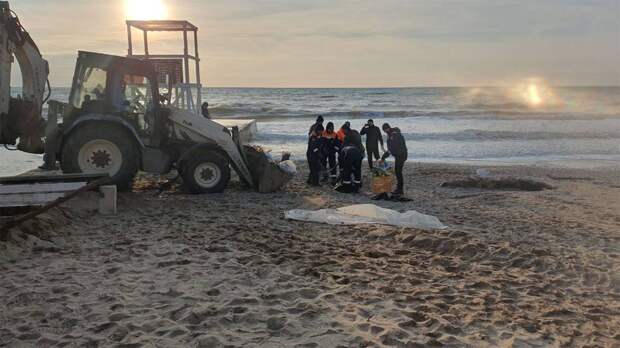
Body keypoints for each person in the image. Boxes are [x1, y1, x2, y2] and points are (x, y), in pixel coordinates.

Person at [380, 123, 408, 195]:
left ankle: (400, 190)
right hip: (401, 155)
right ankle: (399, 189)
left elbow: (392, 148)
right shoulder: (392, 134)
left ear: (387, 128)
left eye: (385, 130)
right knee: (398, 171)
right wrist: (384, 156)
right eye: (384, 130)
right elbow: (391, 149)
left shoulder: (394, 134)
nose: (385, 132)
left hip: (401, 155)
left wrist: (384, 157)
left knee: (398, 172)